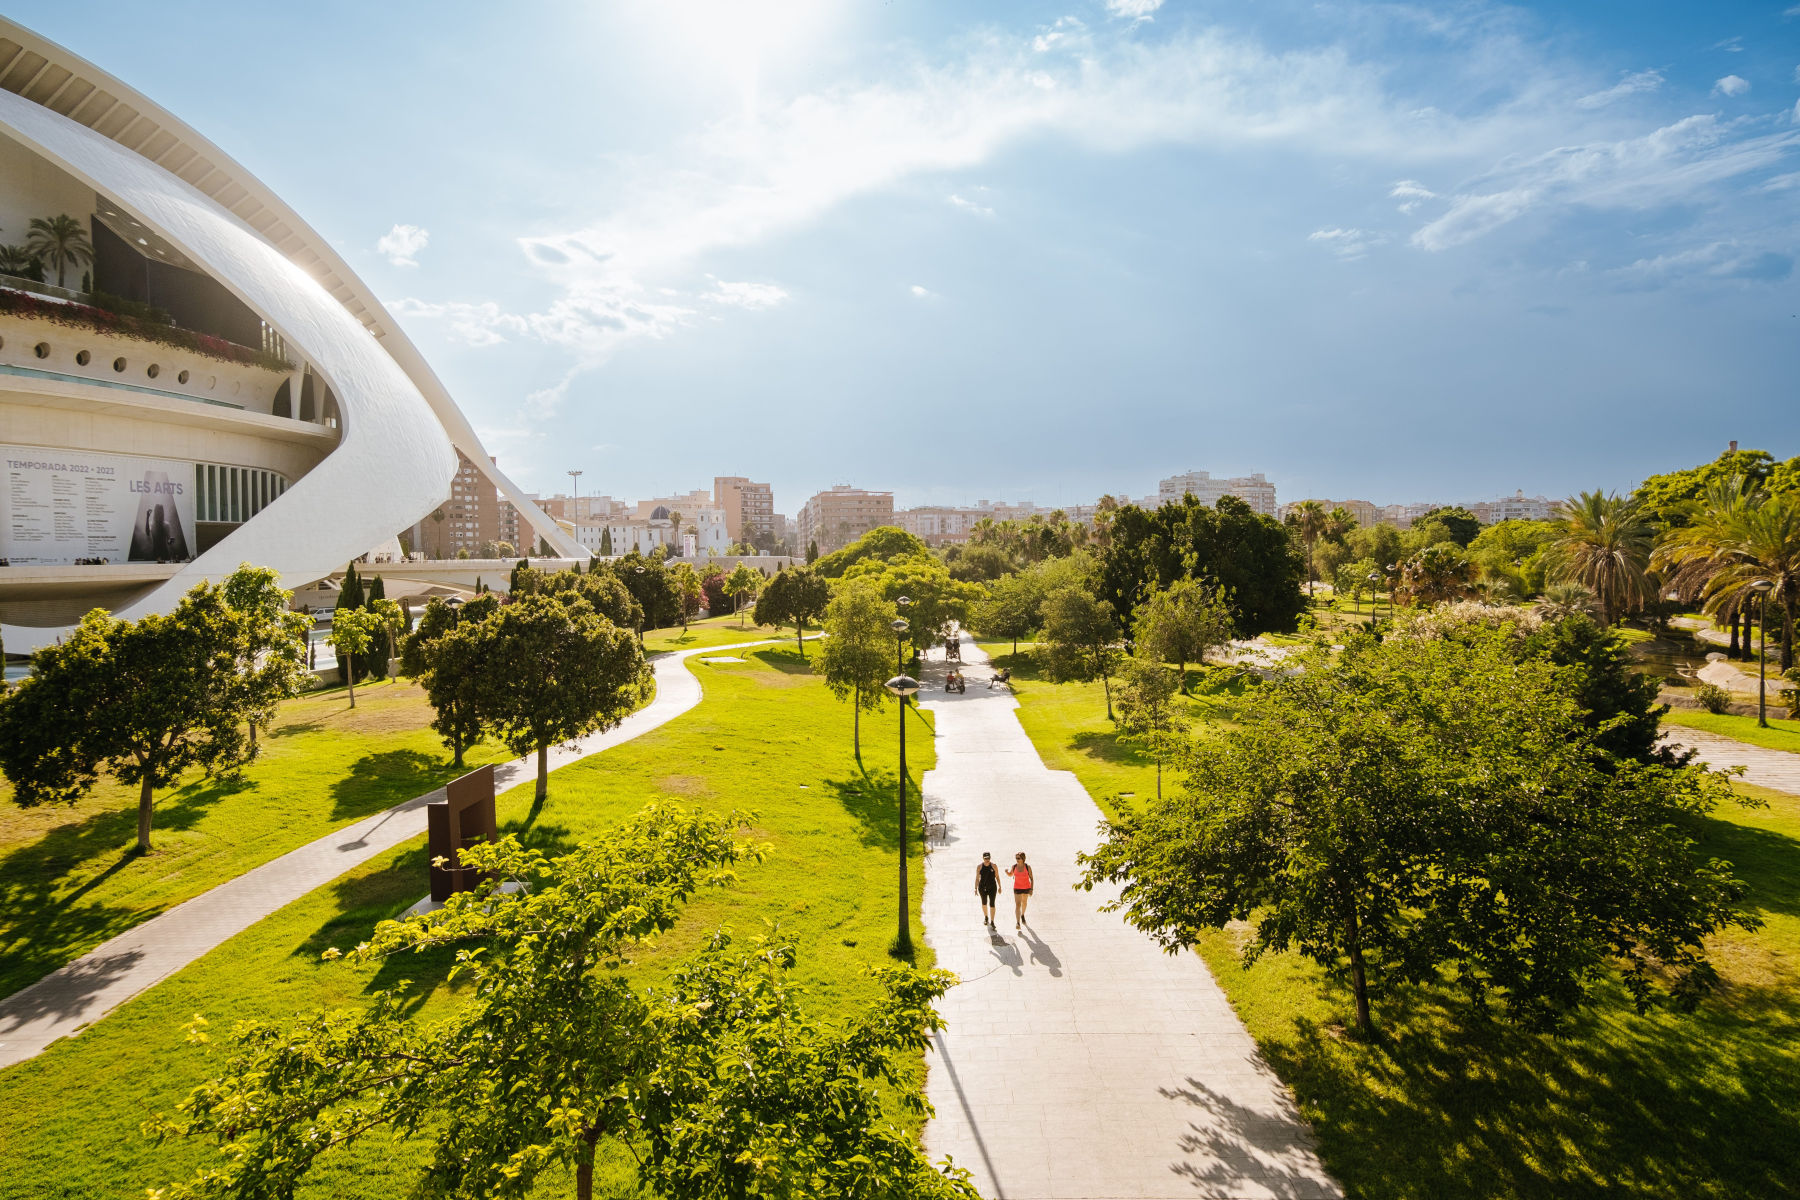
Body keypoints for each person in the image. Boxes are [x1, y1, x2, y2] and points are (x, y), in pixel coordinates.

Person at [1005, 852, 1034, 930]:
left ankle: (1022, 915)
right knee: (1018, 905)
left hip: (1026, 888)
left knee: (1024, 902)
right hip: (1017, 888)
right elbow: (1011, 874)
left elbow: (1031, 878)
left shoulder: (1028, 867)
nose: (1017, 860)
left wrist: (1031, 889)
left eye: (1018, 858)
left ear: (1023, 859)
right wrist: (1007, 873)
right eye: (1016, 858)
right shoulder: (1014, 867)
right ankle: (1018, 922)